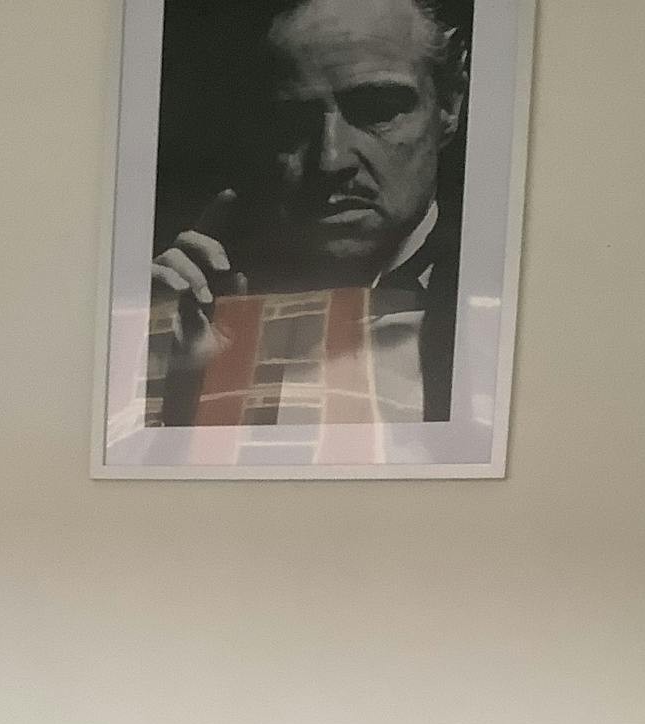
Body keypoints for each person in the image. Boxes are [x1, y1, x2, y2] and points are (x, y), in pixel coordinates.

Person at [147, 0, 469, 429]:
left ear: (449, 103)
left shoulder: (513, 300)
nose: (331, 159)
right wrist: (160, 391)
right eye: (292, 121)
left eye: (377, 109)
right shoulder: (190, 306)